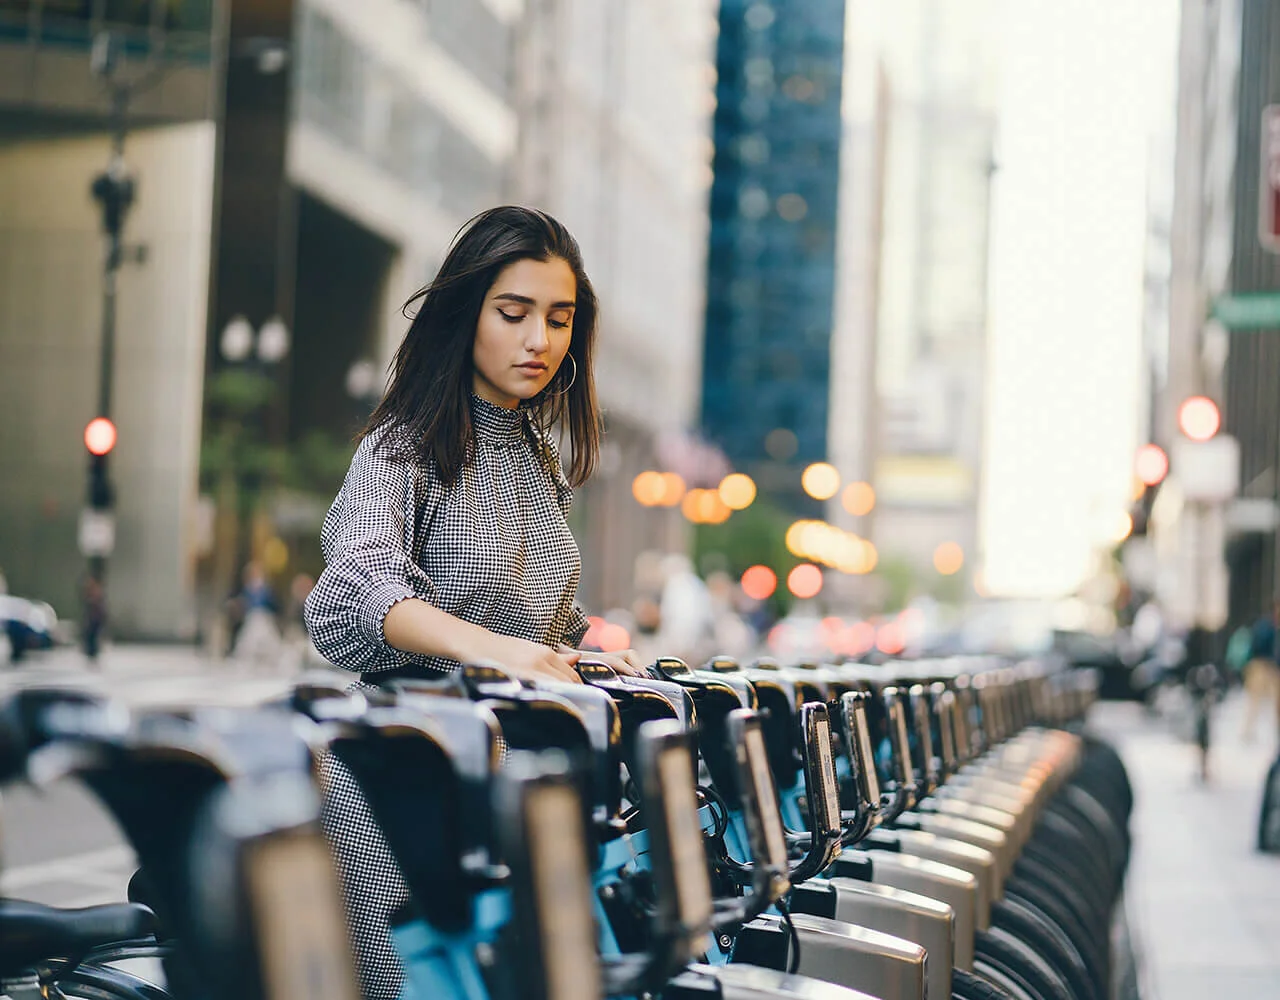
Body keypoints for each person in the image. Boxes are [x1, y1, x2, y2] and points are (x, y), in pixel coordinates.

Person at [303, 206, 644, 999]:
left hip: (509, 772)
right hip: (401, 773)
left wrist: (583, 652)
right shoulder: (405, 443)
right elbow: (354, 588)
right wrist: (507, 652)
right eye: (513, 313)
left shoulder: (537, 456)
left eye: (558, 320)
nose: (539, 341)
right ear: (467, 314)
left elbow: (541, 620)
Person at [1243, 601, 1280, 741]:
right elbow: (1257, 646)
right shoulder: (1265, 626)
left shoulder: (1274, 627)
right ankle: (1248, 731)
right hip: (1261, 666)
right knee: (1255, 700)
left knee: (1276, 701)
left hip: (1272, 667)